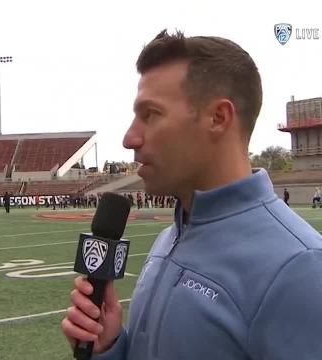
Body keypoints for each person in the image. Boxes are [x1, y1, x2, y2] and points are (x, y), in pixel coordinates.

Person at [62, 29, 322, 360]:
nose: (129, 138)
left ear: (218, 118)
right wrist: (111, 348)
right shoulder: (168, 239)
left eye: (150, 114)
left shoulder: (300, 269)